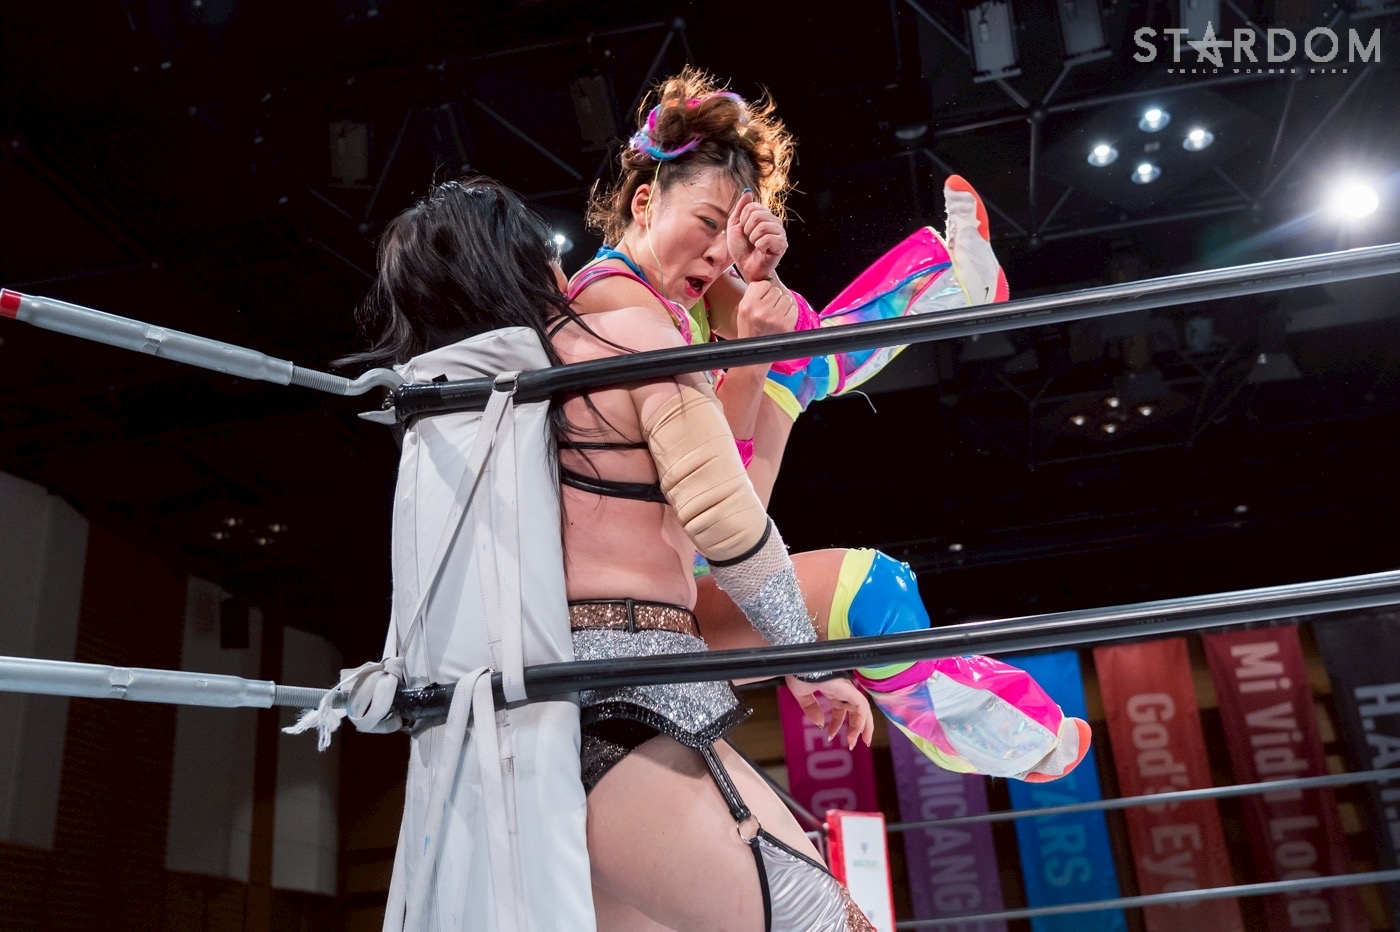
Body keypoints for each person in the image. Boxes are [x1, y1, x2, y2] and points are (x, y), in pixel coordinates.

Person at [350, 176, 879, 930]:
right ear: (536, 265)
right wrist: (809, 660)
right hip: (629, 709)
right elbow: (726, 523)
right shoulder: (622, 341)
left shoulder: (457, 414)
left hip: (515, 734)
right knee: (824, 922)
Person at [570, 68, 1091, 782]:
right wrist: (751, 357)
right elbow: (712, 494)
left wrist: (762, 277)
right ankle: (1010, 741)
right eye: (707, 224)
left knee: (792, 360)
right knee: (870, 594)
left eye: (728, 233)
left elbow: (796, 340)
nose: (718, 253)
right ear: (642, 201)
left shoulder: (672, 284)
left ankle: (951, 285)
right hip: (640, 607)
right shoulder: (617, 306)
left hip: (681, 565)